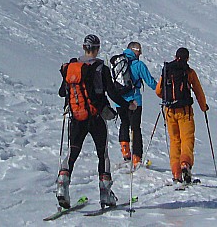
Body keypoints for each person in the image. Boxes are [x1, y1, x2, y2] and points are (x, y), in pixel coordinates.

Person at [56, 34, 137, 209]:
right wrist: (128, 105)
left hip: (76, 116)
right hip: (97, 116)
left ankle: (62, 184)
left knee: (73, 150)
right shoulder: (101, 67)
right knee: (103, 153)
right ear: (97, 48)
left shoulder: (72, 67)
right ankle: (105, 193)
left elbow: (62, 92)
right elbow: (112, 92)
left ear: (84, 47)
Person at [155, 47, 208, 184]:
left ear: (175, 56)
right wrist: (203, 107)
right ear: (187, 58)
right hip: (185, 111)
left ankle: (176, 173)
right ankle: (185, 163)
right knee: (187, 139)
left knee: (175, 141)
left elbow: (158, 91)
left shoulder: (167, 70)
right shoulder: (189, 72)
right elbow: (198, 91)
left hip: (169, 110)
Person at [115, 41, 158, 168]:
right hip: (134, 100)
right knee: (135, 128)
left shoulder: (117, 63)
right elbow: (150, 82)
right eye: (139, 50)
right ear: (134, 50)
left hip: (119, 100)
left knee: (124, 124)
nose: (141, 53)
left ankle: (125, 152)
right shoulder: (138, 65)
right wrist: (162, 91)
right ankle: (136, 157)